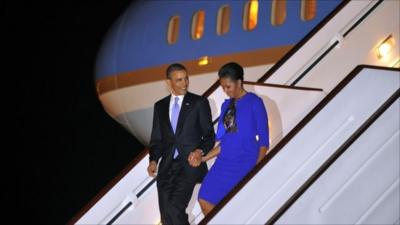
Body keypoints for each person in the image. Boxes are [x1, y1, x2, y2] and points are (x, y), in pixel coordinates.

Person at [197, 62, 269, 215]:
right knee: (204, 199)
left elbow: (264, 141)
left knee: (232, 208)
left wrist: (257, 168)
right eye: (222, 87)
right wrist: (204, 158)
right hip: (224, 161)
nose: (225, 90)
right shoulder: (226, 106)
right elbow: (226, 141)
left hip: (244, 161)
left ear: (239, 82)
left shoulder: (254, 102)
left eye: (228, 86)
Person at [147, 63, 215, 225]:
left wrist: (199, 151)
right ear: (168, 82)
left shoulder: (199, 103)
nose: (184, 83)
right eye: (179, 80)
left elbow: (209, 136)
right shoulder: (160, 107)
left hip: (189, 164)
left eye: (186, 79)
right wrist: (153, 160)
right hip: (167, 167)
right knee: (166, 216)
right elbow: (157, 139)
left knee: (175, 207)